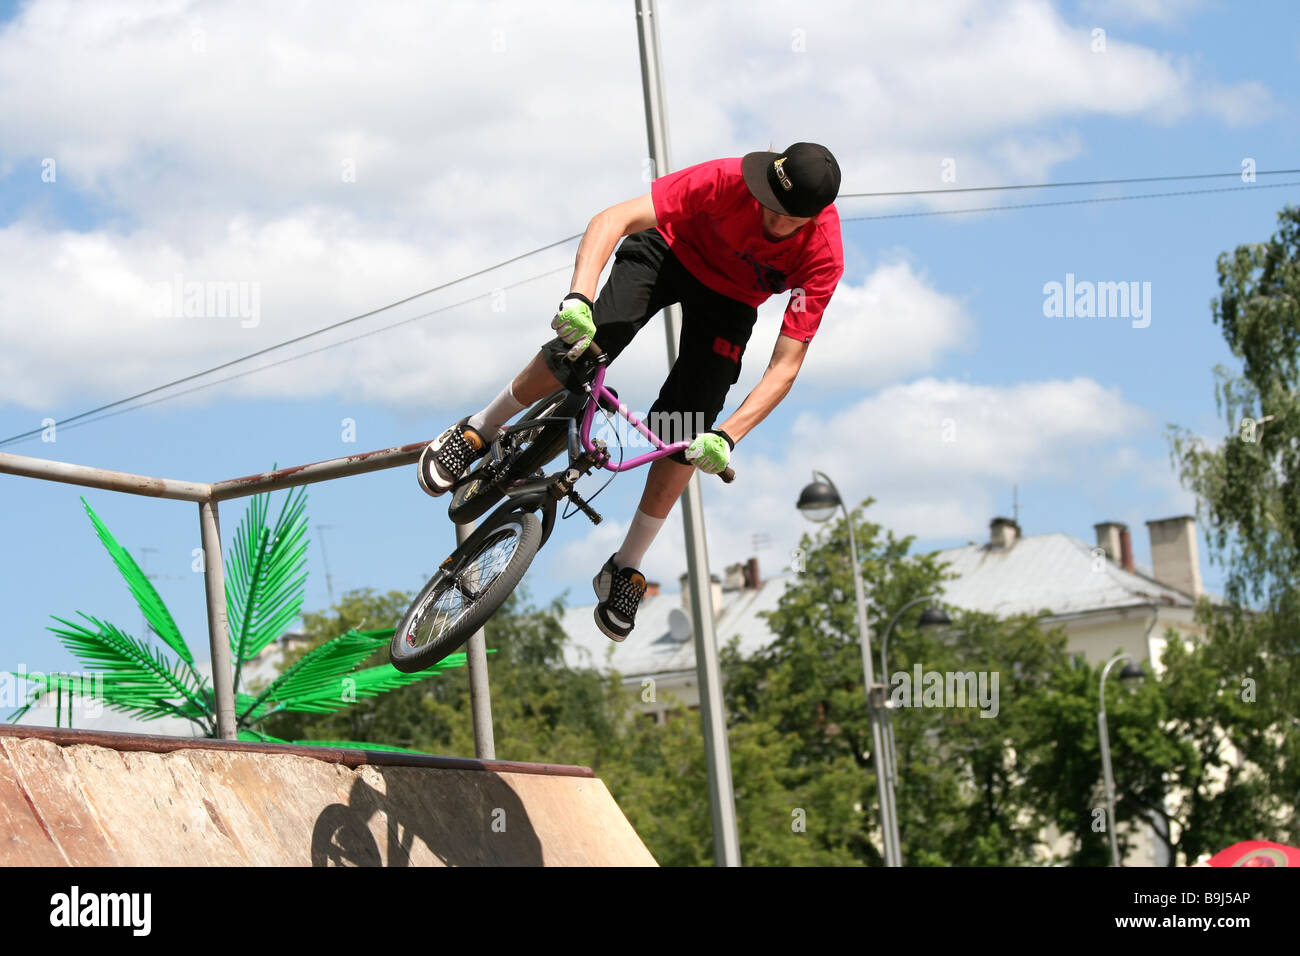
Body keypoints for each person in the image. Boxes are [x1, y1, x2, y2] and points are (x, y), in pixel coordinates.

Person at [419, 142, 844, 642]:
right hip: (668, 249)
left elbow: (785, 366)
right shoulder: (731, 178)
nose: (769, 219)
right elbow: (613, 218)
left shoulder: (823, 255)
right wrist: (578, 295)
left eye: (783, 217)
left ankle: (626, 566)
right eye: (766, 203)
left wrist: (727, 438)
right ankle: (479, 428)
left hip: (731, 300)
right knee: (591, 339)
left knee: (687, 424)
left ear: (811, 219)